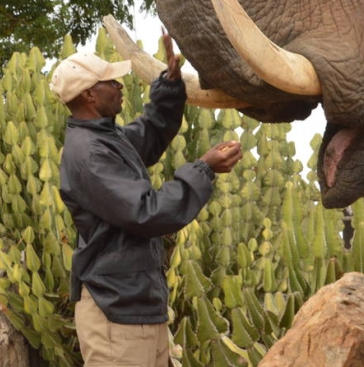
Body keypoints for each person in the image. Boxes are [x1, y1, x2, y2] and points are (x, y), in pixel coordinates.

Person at [50, 31, 242, 367]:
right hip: (116, 314)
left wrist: (169, 86)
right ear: (91, 95)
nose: (120, 86)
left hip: (135, 306)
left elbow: (151, 133)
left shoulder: (106, 139)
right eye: (112, 82)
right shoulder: (90, 155)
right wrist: (204, 169)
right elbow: (146, 213)